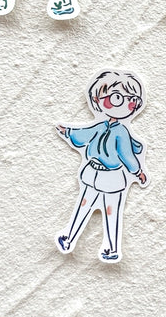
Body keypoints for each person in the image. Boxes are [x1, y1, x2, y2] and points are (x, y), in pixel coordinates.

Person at [56, 71, 147, 263]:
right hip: (93, 172)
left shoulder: (121, 132)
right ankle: (69, 237)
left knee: (111, 211)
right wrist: (68, 132)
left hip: (112, 177)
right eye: (116, 97)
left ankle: (112, 248)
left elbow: (127, 155)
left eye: (132, 100)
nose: (126, 104)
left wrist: (137, 171)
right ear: (97, 99)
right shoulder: (101, 125)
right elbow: (84, 134)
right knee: (83, 205)